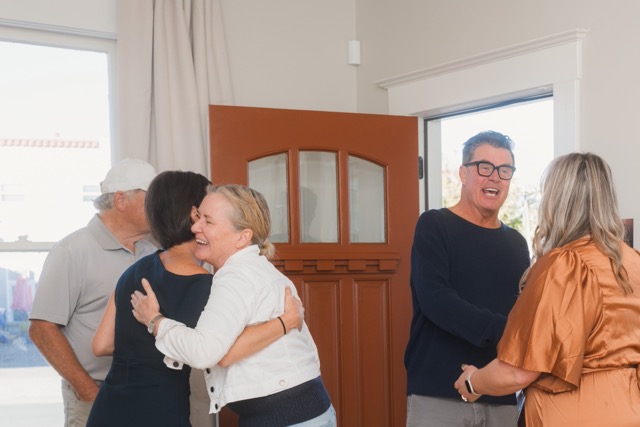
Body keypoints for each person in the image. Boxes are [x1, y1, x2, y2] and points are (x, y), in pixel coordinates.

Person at [86, 171, 303, 427]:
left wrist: (144, 344)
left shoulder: (133, 271)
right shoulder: (210, 286)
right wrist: (286, 321)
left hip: (108, 409)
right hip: (159, 412)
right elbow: (224, 353)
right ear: (194, 215)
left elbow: (101, 345)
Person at [455, 152, 640, 427]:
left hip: (574, 414)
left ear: (556, 200)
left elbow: (518, 373)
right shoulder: (633, 261)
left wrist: (473, 381)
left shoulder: (565, 265)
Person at [131, 184, 336, 426]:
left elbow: (205, 352)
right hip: (299, 413)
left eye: (208, 221)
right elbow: (225, 353)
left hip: (288, 418)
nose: (195, 227)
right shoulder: (251, 269)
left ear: (243, 237)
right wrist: (283, 323)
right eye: (198, 217)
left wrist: (155, 321)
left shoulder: (237, 276)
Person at [404, 130, 531, 427]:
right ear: (463, 173)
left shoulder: (517, 243)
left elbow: (523, 311)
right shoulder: (434, 225)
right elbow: (436, 300)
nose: (495, 177)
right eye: (484, 167)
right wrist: (506, 330)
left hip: (500, 392)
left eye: (504, 170)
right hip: (439, 392)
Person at [29, 158, 158, 427]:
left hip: (147, 391)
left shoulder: (153, 252)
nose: (160, 205)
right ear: (121, 200)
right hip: (93, 394)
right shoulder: (71, 251)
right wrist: (88, 391)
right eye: (152, 197)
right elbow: (42, 329)